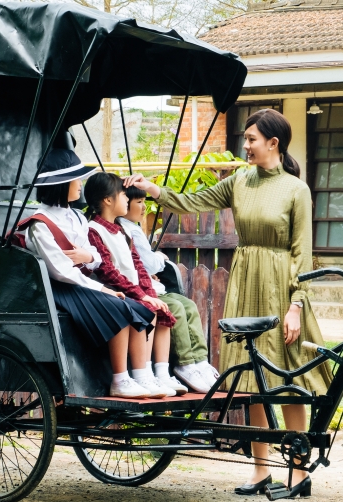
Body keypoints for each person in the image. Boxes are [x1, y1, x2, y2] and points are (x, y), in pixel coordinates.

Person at [127, 108, 331, 498]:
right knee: (251, 379)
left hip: (281, 286)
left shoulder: (296, 190)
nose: (246, 146)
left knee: (289, 380)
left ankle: (298, 471)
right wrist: (153, 189)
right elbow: (192, 202)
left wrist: (297, 305)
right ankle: (260, 470)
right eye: (246, 139)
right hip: (246, 282)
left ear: (273, 143)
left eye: (252, 139)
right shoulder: (239, 181)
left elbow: (302, 252)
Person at [16, 149, 156, 399]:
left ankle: (141, 375)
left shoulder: (77, 217)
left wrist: (88, 257)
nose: (80, 184)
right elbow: (61, 271)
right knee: (119, 305)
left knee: (134, 305)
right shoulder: (39, 224)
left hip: (83, 283)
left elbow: (95, 257)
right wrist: (101, 287)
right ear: (61, 185)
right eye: (76, 180)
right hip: (60, 289)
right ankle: (120, 379)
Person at [83, 172, 188, 397]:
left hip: (131, 291)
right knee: (142, 308)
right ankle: (138, 375)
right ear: (108, 200)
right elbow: (108, 272)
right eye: (123, 195)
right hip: (111, 291)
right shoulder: (94, 230)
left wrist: (148, 294)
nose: (127, 200)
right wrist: (141, 295)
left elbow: (138, 266)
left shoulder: (121, 231)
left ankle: (147, 373)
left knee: (154, 308)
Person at [118, 186, 219, 393]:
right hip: (139, 289)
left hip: (151, 285)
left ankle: (200, 360)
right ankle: (185, 362)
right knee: (176, 308)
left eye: (144, 202)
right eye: (139, 202)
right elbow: (150, 264)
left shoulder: (132, 228)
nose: (144, 208)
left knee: (189, 305)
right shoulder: (128, 230)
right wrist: (160, 258)